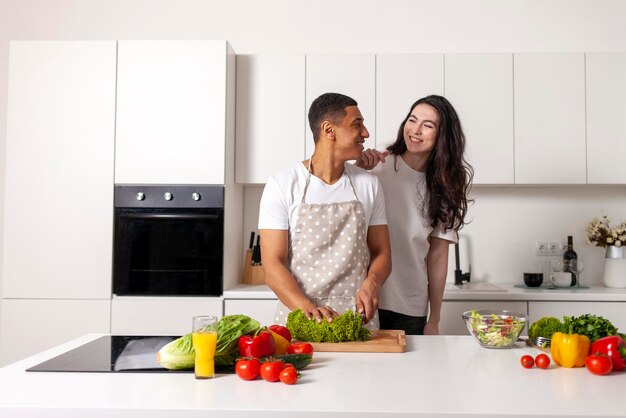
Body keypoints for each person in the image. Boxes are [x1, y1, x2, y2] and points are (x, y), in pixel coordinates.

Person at [259, 92, 391, 329]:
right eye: (357, 125)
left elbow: (382, 252)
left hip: (357, 320)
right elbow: (272, 265)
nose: (366, 134)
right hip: (300, 317)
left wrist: (372, 282)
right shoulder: (282, 184)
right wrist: (308, 309)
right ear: (329, 130)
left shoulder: (368, 184)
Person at [357, 95, 473, 335]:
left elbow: (438, 257)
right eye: (412, 120)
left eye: (428, 125)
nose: (416, 130)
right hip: (365, 298)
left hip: (410, 306)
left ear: (443, 136)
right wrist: (356, 168)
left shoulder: (445, 187)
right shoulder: (377, 167)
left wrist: (435, 319)